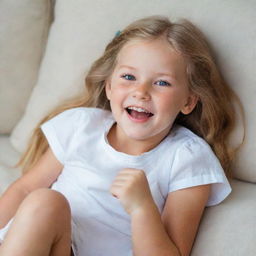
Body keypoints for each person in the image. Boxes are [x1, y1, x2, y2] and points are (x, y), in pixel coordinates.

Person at [0, 15, 244, 256]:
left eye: (162, 83)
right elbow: (24, 189)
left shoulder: (187, 158)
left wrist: (142, 207)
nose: (141, 92)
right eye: (129, 77)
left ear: (188, 101)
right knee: (45, 202)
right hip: (42, 244)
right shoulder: (81, 126)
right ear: (108, 86)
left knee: (46, 202)